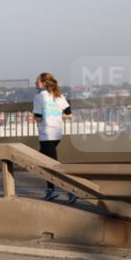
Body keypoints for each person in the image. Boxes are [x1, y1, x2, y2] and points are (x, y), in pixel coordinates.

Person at [33, 72, 75, 204]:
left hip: (46, 134)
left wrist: (37, 117)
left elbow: (38, 117)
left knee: (52, 165)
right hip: (57, 134)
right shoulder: (58, 95)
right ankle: (51, 189)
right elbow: (69, 113)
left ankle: (71, 190)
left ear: (43, 83)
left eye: (37, 81)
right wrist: (56, 115)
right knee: (43, 162)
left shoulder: (39, 96)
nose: (35, 83)